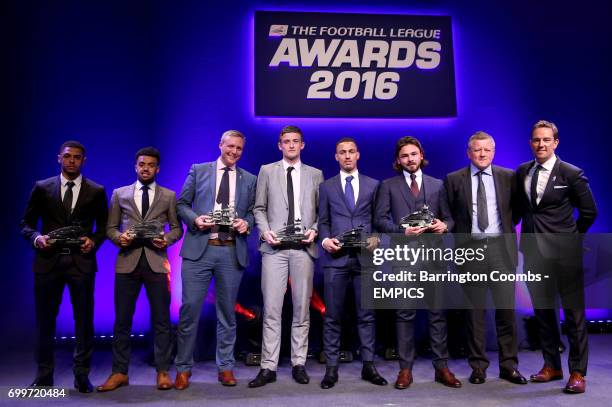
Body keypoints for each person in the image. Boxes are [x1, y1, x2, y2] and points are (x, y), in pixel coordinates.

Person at [20, 140, 108, 392]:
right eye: (67, 156)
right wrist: (37, 238)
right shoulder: (42, 187)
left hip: (81, 263)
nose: (72, 161)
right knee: (45, 321)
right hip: (48, 262)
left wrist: (94, 240)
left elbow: (104, 227)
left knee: (84, 321)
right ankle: (44, 375)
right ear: (59, 158)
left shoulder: (96, 190)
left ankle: (82, 375)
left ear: (84, 161)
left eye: (77, 157)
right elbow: (25, 223)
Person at [516, 120, 597, 394]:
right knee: (543, 314)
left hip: (565, 256)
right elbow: (521, 209)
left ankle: (577, 372)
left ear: (556, 143)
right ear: (531, 143)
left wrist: (572, 237)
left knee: (574, 316)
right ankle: (551, 366)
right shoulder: (523, 172)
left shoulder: (571, 173)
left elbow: (589, 212)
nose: (541, 144)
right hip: (533, 253)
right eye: (537, 140)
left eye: (546, 140)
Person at [375, 136, 461, 389]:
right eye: (404, 156)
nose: (410, 159)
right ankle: (405, 370)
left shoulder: (437, 185)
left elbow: (450, 219)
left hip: (433, 258)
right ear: (398, 160)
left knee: (437, 314)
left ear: (421, 155)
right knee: (404, 314)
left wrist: (445, 226)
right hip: (404, 258)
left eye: (414, 154)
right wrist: (402, 232)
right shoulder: (387, 186)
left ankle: (441, 367)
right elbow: (379, 221)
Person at [174, 130, 257, 389]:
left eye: (239, 149)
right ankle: (183, 368)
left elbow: (255, 212)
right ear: (220, 144)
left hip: (231, 251)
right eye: (230, 146)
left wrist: (247, 223)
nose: (234, 152)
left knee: (227, 314)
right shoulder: (199, 170)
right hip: (200, 249)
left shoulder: (250, 179)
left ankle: (226, 367)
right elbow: (181, 204)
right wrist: (194, 219)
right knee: (189, 312)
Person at [97, 147, 183, 392]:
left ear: (158, 169)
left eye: (151, 165)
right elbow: (110, 227)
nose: (146, 168)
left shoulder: (168, 195)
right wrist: (118, 238)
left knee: (162, 321)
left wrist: (166, 240)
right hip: (127, 262)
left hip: (157, 262)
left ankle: (163, 371)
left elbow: (177, 229)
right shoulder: (119, 194)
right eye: (142, 164)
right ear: (135, 167)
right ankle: (119, 372)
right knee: (122, 321)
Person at [445, 131, 526, 385]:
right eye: (477, 150)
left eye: (486, 150)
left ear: (493, 151)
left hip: (501, 251)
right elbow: (449, 215)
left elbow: (517, 212)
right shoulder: (453, 179)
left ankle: (509, 366)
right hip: (470, 252)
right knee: (474, 313)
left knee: (506, 312)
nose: (482, 154)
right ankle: (478, 366)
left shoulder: (508, 177)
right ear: (468, 153)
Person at [249, 125, 324, 388]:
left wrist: (315, 231)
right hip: (274, 249)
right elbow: (258, 208)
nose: (291, 145)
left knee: (302, 309)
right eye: (286, 142)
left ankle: (298, 363)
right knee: (271, 309)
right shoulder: (267, 171)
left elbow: (320, 212)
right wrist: (265, 232)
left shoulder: (316, 174)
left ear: (302, 145)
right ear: (279, 145)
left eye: (295, 141)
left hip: (303, 249)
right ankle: (268, 366)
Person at [318, 137, 387, 389]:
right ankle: (331, 369)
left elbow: (380, 221)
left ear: (358, 155)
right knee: (332, 317)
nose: (347, 156)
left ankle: (369, 366)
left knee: (366, 315)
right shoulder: (326, 187)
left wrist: (377, 239)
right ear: (336, 157)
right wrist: (324, 240)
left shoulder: (373, 185)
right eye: (342, 153)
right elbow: (323, 221)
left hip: (365, 259)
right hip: (336, 260)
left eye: (351, 152)